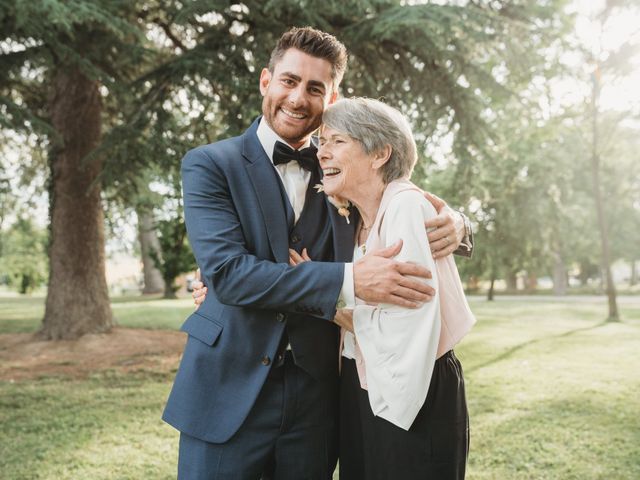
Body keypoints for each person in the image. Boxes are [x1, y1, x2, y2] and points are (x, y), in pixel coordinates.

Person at [164, 27, 471, 479]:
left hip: (320, 400)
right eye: (289, 81)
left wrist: (461, 225)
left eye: (315, 88)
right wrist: (349, 283)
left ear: (332, 97)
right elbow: (228, 274)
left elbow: (401, 202)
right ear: (267, 81)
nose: (297, 98)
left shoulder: (346, 168)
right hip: (227, 389)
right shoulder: (211, 164)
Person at [289, 97, 476, 479]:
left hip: (414, 390)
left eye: (336, 141)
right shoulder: (353, 218)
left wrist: (322, 296)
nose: (321, 153)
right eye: (321, 142)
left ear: (380, 153)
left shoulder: (406, 206)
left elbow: (408, 326)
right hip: (361, 384)